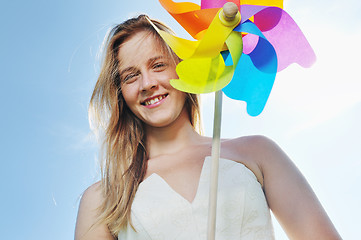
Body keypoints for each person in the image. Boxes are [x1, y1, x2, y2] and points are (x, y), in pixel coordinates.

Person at [74, 15, 341, 240]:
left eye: (158, 65)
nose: (147, 83)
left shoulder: (258, 152)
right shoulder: (102, 198)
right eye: (131, 76)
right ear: (120, 93)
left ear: (184, 68)